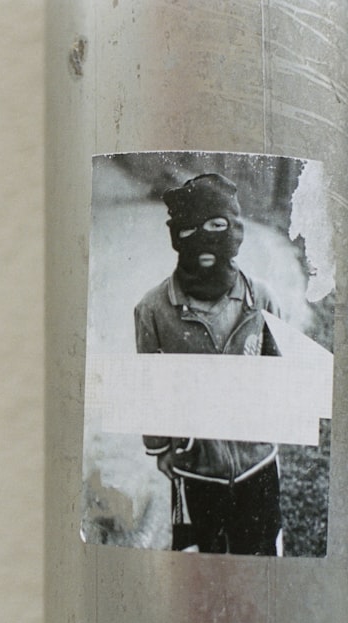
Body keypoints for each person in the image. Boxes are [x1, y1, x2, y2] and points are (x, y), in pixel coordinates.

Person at [134, 173, 283, 555]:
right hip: (194, 470)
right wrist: (162, 448)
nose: (205, 239)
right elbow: (150, 386)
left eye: (217, 225)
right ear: (175, 237)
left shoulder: (262, 299)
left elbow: (282, 373)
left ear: (235, 228)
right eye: (189, 230)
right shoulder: (152, 310)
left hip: (257, 464)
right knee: (201, 563)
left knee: (262, 558)